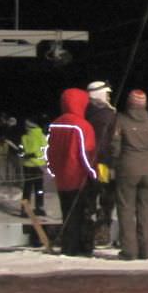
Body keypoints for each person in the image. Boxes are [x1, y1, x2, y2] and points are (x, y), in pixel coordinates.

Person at [111, 89, 148, 260]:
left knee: (126, 209)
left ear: (129, 103)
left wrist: (113, 164)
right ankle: (145, 249)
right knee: (145, 210)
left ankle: (129, 250)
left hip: (127, 168)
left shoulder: (121, 120)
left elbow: (115, 146)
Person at [46, 88, 98, 256]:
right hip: (79, 177)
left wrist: (53, 170)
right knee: (82, 213)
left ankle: (68, 245)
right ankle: (81, 246)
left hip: (61, 178)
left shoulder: (56, 124)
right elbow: (86, 153)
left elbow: (50, 152)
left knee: (67, 212)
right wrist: (93, 173)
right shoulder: (82, 126)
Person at [86, 80, 118, 246]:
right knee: (106, 196)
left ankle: (89, 231)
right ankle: (102, 230)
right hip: (104, 163)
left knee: (91, 196)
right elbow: (112, 141)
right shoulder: (107, 115)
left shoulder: (87, 112)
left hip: (89, 162)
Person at [19, 118, 48, 217]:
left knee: (27, 189)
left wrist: (27, 155)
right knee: (38, 188)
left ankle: (25, 209)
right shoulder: (41, 136)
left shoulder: (26, 137)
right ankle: (39, 207)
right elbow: (45, 151)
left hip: (30, 166)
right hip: (37, 166)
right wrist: (24, 154)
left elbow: (21, 151)